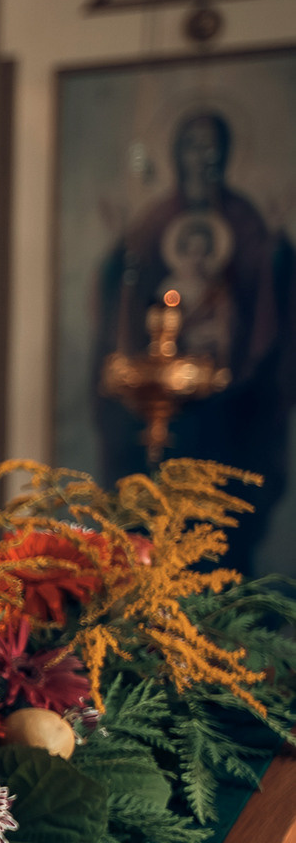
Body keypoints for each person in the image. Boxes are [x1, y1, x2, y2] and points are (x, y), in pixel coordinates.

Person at [93, 108, 293, 573]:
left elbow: (264, 301)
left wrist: (277, 252)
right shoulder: (156, 219)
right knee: (150, 495)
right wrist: (120, 259)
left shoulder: (243, 219)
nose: (201, 157)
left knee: (217, 501)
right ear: (176, 154)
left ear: (225, 153)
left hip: (223, 400)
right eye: (191, 145)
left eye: (210, 146)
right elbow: (125, 289)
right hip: (159, 395)